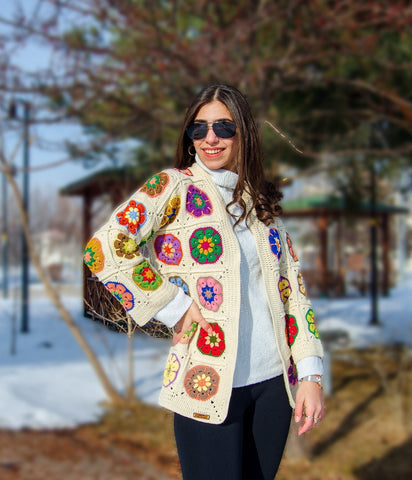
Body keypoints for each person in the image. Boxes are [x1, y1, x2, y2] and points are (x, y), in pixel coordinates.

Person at [83, 83, 325, 479]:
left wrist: (311, 375)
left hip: (274, 386)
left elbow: (293, 293)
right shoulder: (174, 187)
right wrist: (172, 307)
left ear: (243, 132)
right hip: (207, 382)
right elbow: (105, 248)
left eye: (224, 128)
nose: (211, 138)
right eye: (200, 129)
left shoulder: (260, 204)